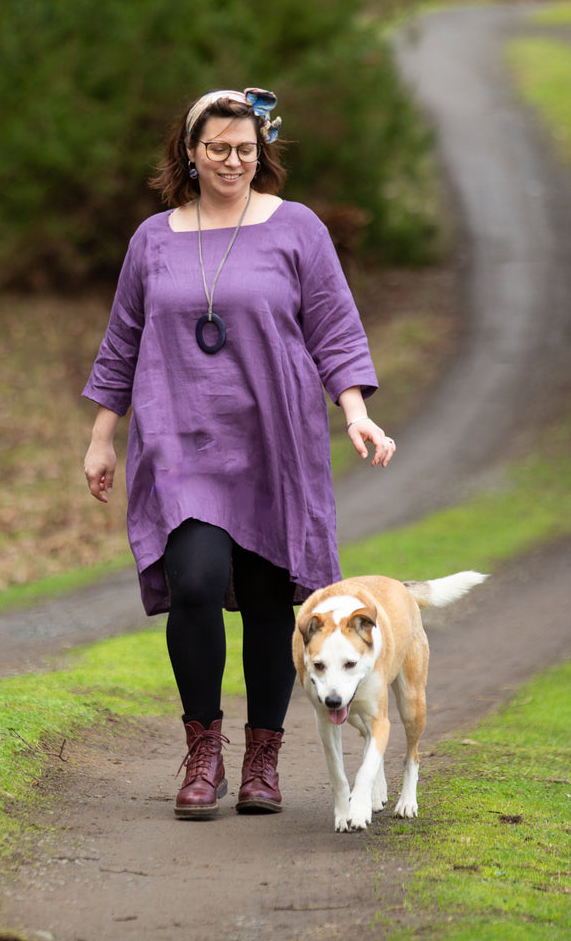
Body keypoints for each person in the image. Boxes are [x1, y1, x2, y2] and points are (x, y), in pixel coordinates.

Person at [81, 86, 396, 819]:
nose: (232, 160)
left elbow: (334, 328)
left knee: (264, 600)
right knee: (193, 580)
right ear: (189, 152)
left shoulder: (297, 229)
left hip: (275, 438)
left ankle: (262, 757)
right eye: (218, 148)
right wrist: (102, 433)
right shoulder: (152, 238)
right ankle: (202, 751)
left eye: (246, 150)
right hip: (179, 439)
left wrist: (354, 413)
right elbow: (122, 337)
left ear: (263, 152)